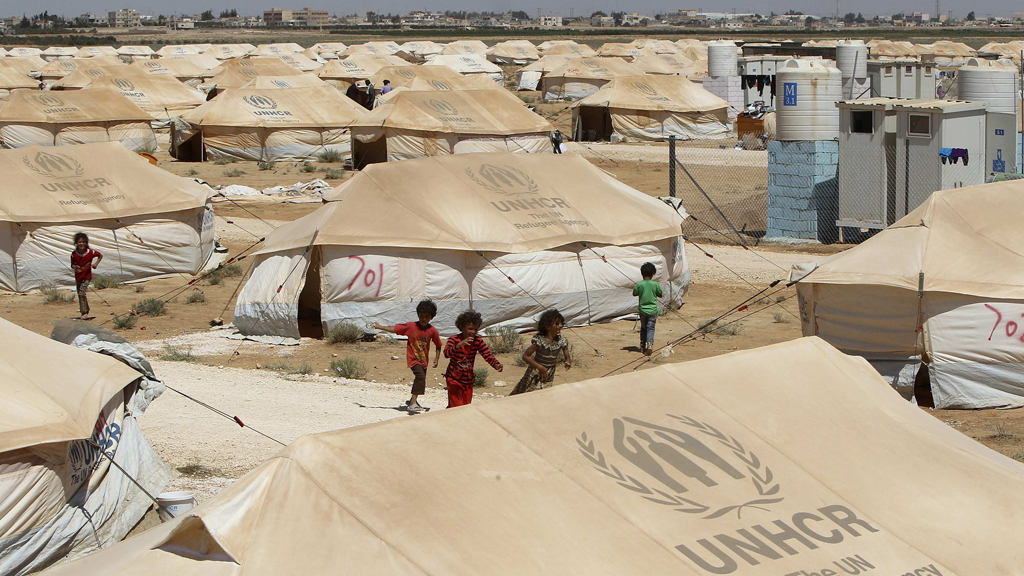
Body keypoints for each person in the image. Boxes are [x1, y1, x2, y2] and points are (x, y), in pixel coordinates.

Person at [374, 300, 442, 413]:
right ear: (418, 315)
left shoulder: (432, 331)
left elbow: (438, 345)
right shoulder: (411, 327)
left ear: (431, 317)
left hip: (423, 360)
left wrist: (436, 358)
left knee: (421, 380)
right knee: (420, 377)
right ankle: (412, 404)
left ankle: (413, 400)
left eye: (426, 316)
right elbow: (395, 329)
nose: (423, 319)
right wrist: (380, 327)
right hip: (413, 358)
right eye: (421, 316)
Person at [443, 310, 502, 408]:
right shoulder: (454, 339)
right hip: (454, 379)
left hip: (468, 380)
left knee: (466, 407)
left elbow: (487, 354)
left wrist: (496, 364)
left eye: (475, 329)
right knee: (457, 407)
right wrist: (459, 345)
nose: (473, 332)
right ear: (461, 327)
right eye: (470, 329)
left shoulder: (477, 341)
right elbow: (446, 353)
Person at [510, 309, 570, 396]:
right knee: (529, 392)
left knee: (544, 393)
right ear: (547, 326)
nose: (560, 325)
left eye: (561, 323)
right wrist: (540, 367)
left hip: (549, 372)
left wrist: (567, 360)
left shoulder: (561, 340)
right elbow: (526, 356)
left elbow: (565, 350)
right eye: (556, 324)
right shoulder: (540, 341)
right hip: (535, 372)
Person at [70, 232, 102, 320]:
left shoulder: (91, 252)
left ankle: (84, 313)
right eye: (79, 242)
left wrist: (95, 264)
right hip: (78, 277)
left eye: (83, 242)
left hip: (87, 276)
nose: (81, 244)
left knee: (82, 293)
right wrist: (75, 267)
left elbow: (100, 255)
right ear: (76, 243)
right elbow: (72, 264)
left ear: (86, 243)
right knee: (80, 294)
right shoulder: (74, 254)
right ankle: (86, 309)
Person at [633, 262, 662, 356]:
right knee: (651, 328)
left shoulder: (639, 284)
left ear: (642, 273)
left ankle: (642, 345)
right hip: (652, 310)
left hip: (642, 311)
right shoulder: (655, 284)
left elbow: (634, 293)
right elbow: (660, 294)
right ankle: (649, 344)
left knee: (643, 328)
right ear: (653, 274)